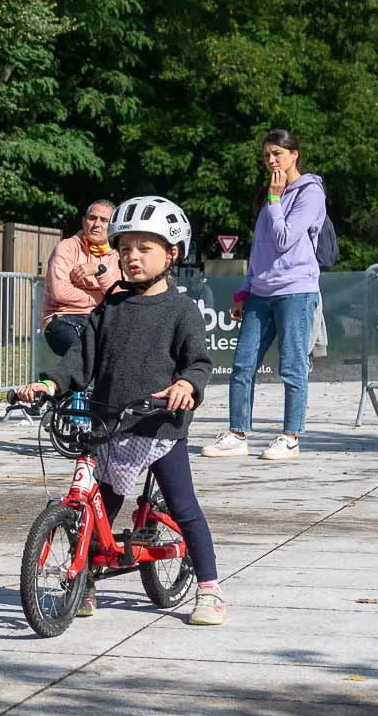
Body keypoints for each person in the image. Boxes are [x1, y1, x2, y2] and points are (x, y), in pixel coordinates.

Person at [16, 195, 226, 626]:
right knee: (98, 509)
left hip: (158, 424)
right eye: (125, 247)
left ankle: (209, 589)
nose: (131, 257)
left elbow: (199, 362)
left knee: (184, 507)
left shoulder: (180, 310)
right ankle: (84, 580)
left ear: (172, 253)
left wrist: (187, 384)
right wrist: (49, 383)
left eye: (144, 248)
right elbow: (81, 357)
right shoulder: (109, 305)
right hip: (107, 424)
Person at [202, 129, 324, 461]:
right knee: (242, 364)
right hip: (260, 291)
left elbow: (285, 240)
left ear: (294, 154)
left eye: (277, 154)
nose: (271, 160)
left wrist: (274, 200)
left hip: (295, 291)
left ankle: (290, 437)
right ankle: (238, 433)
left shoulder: (309, 192)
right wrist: (244, 289)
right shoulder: (270, 194)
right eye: (267, 155)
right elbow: (261, 249)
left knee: (292, 366)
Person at [41, 200, 120, 357]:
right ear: (84, 221)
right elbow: (60, 292)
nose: (96, 224)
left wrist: (99, 271)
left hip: (102, 319)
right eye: (92, 218)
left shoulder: (117, 254)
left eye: (104, 220)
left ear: (112, 226)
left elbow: (119, 295)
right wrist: (102, 298)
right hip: (63, 319)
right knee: (84, 351)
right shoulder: (67, 247)